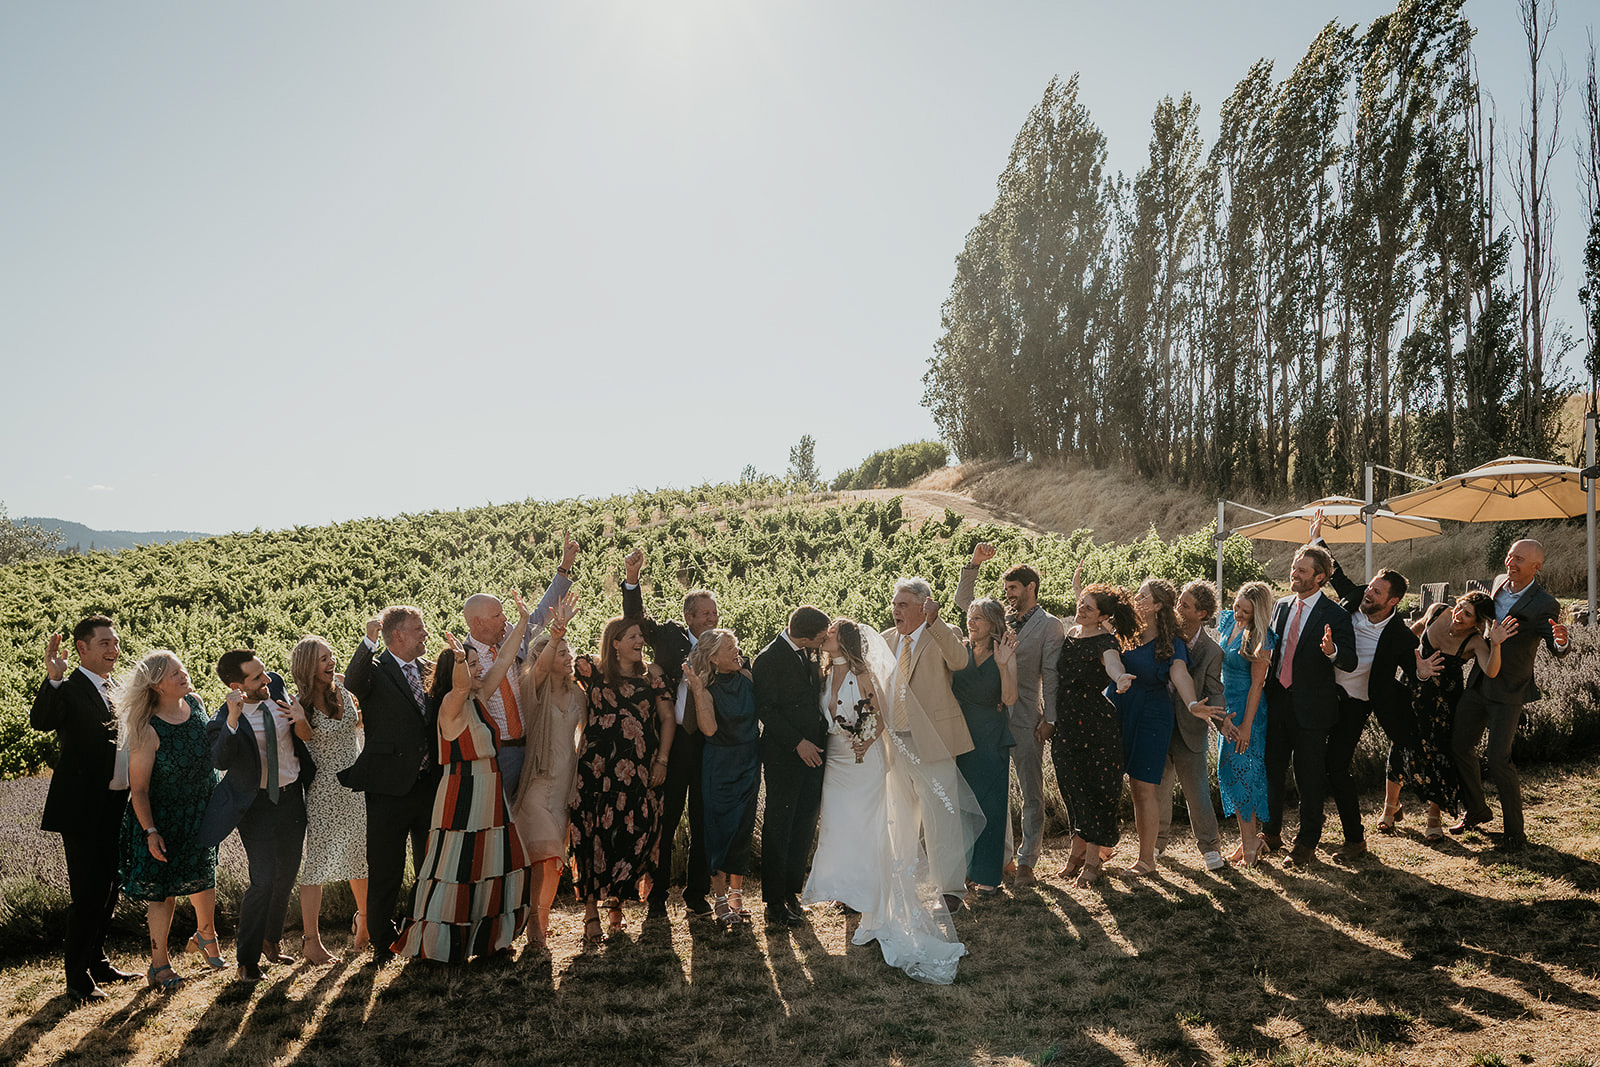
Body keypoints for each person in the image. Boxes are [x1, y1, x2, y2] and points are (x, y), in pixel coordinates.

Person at [802, 617, 970, 984]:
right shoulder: (823, 673)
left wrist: (867, 737)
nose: (823, 637)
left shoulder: (863, 676)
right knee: (840, 827)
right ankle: (849, 890)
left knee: (870, 828)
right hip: (837, 761)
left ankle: (875, 907)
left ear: (843, 641)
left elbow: (881, 716)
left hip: (865, 759)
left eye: (829, 633)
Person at [393, 621, 533, 962]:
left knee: (495, 863)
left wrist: (524, 621)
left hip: (491, 790)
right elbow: (457, 688)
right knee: (458, 867)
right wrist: (458, 661)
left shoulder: (478, 698)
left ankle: (490, 940)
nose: (479, 669)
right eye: (472, 665)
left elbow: (501, 664)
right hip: (463, 794)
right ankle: (442, 946)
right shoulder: (451, 705)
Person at [29, 616, 136, 1002]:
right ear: (82, 648)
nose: (114, 650)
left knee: (109, 888)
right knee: (89, 893)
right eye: (105, 643)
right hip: (82, 808)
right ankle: (77, 979)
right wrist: (53, 678)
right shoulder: (70, 688)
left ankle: (97, 961)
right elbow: (40, 721)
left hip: (113, 802)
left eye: (116, 643)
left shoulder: (114, 689)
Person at [198, 650, 315, 982]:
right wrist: (234, 719)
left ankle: (270, 939)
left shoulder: (275, 687)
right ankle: (246, 961)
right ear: (237, 686)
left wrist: (300, 717)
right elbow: (220, 760)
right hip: (256, 807)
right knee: (263, 880)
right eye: (257, 677)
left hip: (292, 798)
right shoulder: (222, 721)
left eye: (265, 672)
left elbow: (301, 734)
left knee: (287, 875)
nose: (267, 679)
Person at [1308, 517, 1420, 861]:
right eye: (1370, 587)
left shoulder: (1400, 636)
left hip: (1355, 706)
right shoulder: (1355, 599)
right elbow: (1336, 573)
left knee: (1336, 767)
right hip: (1321, 694)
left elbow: (1416, 671)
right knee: (1309, 762)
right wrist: (1318, 540)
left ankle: (1355, 840)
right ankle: (1307, 832)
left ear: (1393, 602)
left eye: (1377, 592)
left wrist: (1424, 673)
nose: (1368, 593)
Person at [1451, 539, 1570, 850]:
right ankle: (1476, 810)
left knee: (1498, 759)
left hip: (1509, 690)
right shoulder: (1499, 583)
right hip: (1479, 682)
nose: (1510, 563)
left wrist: (1561, 642)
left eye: (1518, 559)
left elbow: (1555, 647)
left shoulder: (1545, 603)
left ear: (1536, 567)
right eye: (1509, 556)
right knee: (1459, 746)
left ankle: (1515, 834)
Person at [955, 543, 1061, 887]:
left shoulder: (1049, 625)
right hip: (989, 722)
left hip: (1026, 717)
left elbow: (1051, 674)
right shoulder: (1000, 621)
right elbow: (965, 604)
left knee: (1031, 791)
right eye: (1005, 590)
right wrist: (973, 563)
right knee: (992, 792)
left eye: (1013, 589)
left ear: (1031, 587)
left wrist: (1051, 719)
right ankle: (1000, 860)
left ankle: (1028, 859)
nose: (1008, 595)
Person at [340, 605, 441, 965]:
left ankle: (415, 929)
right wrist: (368, 640)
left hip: (429, 784)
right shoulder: (375, 671)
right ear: (396, 635)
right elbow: (352, 682)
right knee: (386, 868)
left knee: (431, 864)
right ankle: (383, 943)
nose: (425, 634)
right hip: (387, 788)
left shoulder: (428, 670)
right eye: (418, 629)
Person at [116, 651, 221, 992]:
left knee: (204, 877)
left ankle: (207, 936)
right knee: (163, 893)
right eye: (175, 673)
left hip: (201, 815)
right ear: (157, 685)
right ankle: (159, 965)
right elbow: (140, 789)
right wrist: (150, 831)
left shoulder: (196, 702)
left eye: (183, 670)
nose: (183, 676)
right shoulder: (147, 728)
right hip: (164, 819)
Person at [570, 614, 678, 944]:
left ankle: (617, 903)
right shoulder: (591, 670)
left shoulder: (653, 675)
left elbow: (668, 718)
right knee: (593, 834)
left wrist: (662, 760)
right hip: (597, 770)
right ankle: (591, 914)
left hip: (640, 769)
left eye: (640, 636)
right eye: (631, 636)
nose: (639, 641)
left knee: (636, 831)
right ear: (615, 643)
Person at [622, 547, 714, 918]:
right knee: (666, 819)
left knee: (704, 819)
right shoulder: (671, 636)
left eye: (715, 613)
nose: (712, 618)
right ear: (688, 617)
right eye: (705, 614)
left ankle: (697, 894)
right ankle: (657, 896)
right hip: (673, 743)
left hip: (707, 743)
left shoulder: (721, 643)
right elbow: (636, 620)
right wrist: (632, 579)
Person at [881, 578, 981, 910]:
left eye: (904, 605)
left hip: (933, 741)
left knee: (941, 817)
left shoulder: (942, 632)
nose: (896, 610)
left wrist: (935, 622)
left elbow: (959, 661)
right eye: (895, 604)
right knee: (900, 818)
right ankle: (902, 884)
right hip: (895, 743)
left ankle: (950, 890)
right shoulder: (885, 641)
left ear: (925, 606)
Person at [459, 532, 578, 804]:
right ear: (477, 624)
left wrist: (564, 567)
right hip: (497, 753)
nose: (505, 619)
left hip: (531, 744)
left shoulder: (511, 635)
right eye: (497, 615)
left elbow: (538, 617)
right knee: (500, 818)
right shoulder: (466, 660)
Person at [1114, 579, 1221, 876]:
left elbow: (1181, 674)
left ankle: (1148, 859)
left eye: (1143, 595)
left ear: (1158, 605)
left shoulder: (1172, 643)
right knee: (1125, 785)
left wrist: (1191, 704)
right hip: (1123, 713)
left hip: (1152, 715)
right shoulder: (1125, 633)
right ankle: (1104, 851)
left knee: (1148, 788)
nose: (1136, 598)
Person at [1261, 543, 1357, 869]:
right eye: (1293, 567)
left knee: (1309, 778)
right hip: (1277, 703)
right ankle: (1270, 834)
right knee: (1271, 771)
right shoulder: (1281, 606)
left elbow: (1351, 659)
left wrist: (1332, 651)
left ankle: (1306, 843)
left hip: (1312, 710)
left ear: (1319, 577)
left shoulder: (1336, 615)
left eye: (1301, 571)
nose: (1294, 574)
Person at [510, 594, 585, 950]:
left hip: (565, 785)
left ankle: (539, 917)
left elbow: (586, 733)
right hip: (538, 786)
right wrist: (557, 630)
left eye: (569, 651)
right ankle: (535, 924)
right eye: (561, 652)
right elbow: (537, 670)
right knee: (547, 853)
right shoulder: (532, 687)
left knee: (554, 863)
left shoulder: (578, 694)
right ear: (544, 659)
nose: (568, 657)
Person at [289, 635, 368, 964]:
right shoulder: (300, 703)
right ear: (308, 666)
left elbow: (359, 723)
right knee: (316, 868)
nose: (331, 662)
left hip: (357, 787)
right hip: (324, 791)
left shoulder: (344, 691)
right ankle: (311, 941)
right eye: (323, 659)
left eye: (331, 656)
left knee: (361, 858)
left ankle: (364, 923)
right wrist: (300, 718)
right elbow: (305, 737)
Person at [1405, 593, 1510, 838]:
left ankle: (1435, 816)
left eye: (1467, 614)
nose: (1459, 615)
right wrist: (1414, 659)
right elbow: (1410, 633)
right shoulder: (1439, 610)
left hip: (1445, 700)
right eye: (1460, 607)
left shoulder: (1474, 641)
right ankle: (1392, 808)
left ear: (1477, 623)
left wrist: (1495, 644)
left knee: (1440, 752)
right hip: (1415, 687)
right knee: (1405, 741)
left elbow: (1491, 672)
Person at [753, 605, 832, 928]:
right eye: (821, 638)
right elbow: (767, 710)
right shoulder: (768, 659)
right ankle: (774, 901)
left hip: (815, 752)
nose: (823, 642)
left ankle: (791, 893)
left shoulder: (808, 653)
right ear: (804, 636)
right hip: (786, 755)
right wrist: (798, 743)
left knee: (804, 824)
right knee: (780, 825)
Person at [1052, 584, 1136, 886]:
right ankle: (1078, 849)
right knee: (1071, 788)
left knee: (1095, 791)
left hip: (1096, 726)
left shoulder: (1106, 641)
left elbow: (1113, 665)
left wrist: (1120, 677)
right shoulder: (1071, 633)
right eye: (1080, 604)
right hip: (1066, 724)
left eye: (1088, 607)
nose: (1081, 609)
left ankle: (1090, 860)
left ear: (1102, 616)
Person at [683, 628, 761, 928]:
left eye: (736, 645)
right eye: (730, 647)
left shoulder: (748, 677)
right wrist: (699, 691)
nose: (736, 651)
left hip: (749, 761)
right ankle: (718, 898)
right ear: (714, 658)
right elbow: (710, 730)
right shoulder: (706, 686)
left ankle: (737, 895)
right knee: (719, 830)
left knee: (742, 828)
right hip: (720, 764)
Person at [1156, 580, 1226, 870]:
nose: (1178, 608)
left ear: (1203, 613)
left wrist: (1224, 724)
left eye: (1185, 605)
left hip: (1190, 728)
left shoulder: (1212, 652)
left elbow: (1215, 690)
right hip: (1157, 723)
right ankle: (1156, 844)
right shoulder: (1161, 635)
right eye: (1178, 602)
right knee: (1157, 790)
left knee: (1196, 792)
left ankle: (1209, 847)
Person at [950, 598, 1018, 895]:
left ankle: (988, 877)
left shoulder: (1005, 653)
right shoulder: (959, 650)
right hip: (958, 734)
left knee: (989, 805)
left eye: (978, 618)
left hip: (990, 734)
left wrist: (1003, 665)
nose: (971, 622)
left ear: (993, 623)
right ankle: (964, 870)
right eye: (970, 617)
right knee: (961, 807)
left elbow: (1010, 698)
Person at [1215, 582, 1275, 868]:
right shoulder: (1228, 621)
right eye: (1237, 605)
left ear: (1258, 613)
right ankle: (1248, 839)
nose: (1238, 613)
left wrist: (1248, 725)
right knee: (1229, 772)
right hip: (1225, 708)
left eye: (1245, 611)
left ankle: (1252, 843)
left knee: (1244, 777)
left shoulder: (1262, 637)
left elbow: (1257, 685)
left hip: (1247, 710)